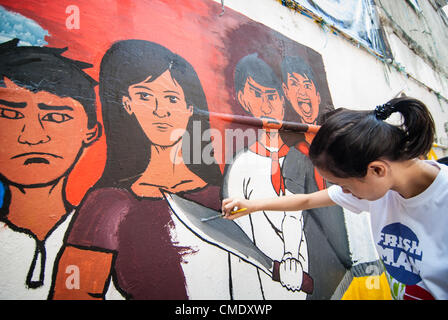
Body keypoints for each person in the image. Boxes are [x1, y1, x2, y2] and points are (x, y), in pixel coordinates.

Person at [223, 97, 448, 300]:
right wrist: (252, 205)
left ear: (377, 170)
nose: (344, 193)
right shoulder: (382, 187)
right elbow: (307, 201)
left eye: (345, 185)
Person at [51, 40, 225, 300]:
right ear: (127, 104)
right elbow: (75, 293)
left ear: (190, 109)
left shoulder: (221, 195)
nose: (160, 110)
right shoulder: (108, 204)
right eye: (145, 96)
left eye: (172, 98)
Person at [0, 39, 101, 299]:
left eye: (56, 116)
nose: (32, 136)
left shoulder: (101, 235)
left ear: (91, 132)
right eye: (10, 114)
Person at [223, 53, 309, 299]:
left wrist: (291, 255)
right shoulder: (241, 165)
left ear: (283, 100)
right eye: (257, 95)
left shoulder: (298, 159)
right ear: (243, 100)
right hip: (257, 276)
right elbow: (237, 233)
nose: (267, 105)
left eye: (272, 96)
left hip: (298, 270)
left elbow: (295, 214)